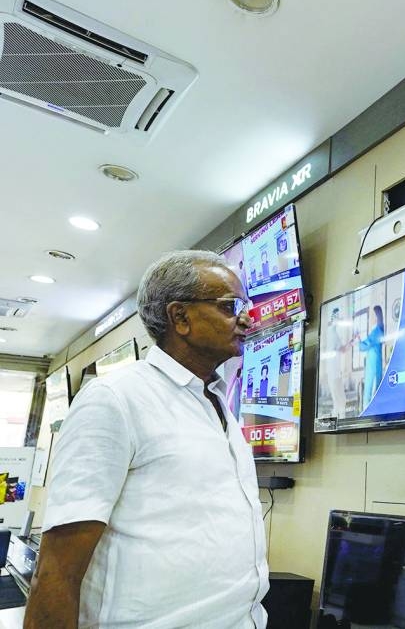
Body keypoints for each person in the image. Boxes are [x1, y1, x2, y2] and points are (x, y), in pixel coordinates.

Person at [24, 250, 268, 628]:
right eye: (230, 305)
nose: (246, 317)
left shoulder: (216, 402)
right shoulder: (116, 398)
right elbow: (58, 568)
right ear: (180, 317)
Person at [357, 304, 385, 409]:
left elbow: (365, 345)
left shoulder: (377, 331)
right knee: (370, 391)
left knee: (371, 392)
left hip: (373, 366)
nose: (370, 318)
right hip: (373, 365)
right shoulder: (376, 331)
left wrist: (358, 340)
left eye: (373, 315)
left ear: (377, 316)